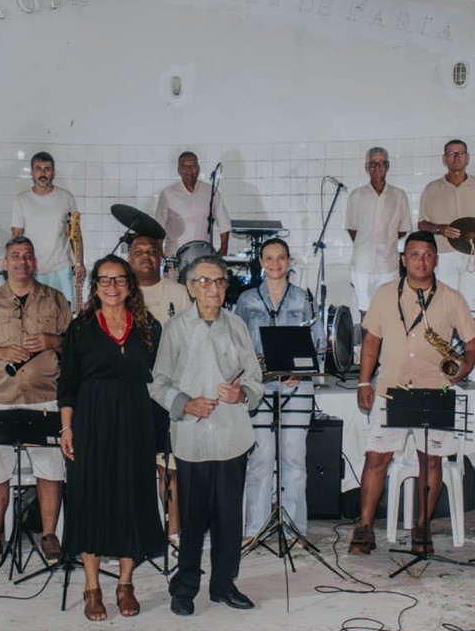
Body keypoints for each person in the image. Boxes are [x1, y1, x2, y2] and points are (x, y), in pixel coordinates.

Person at [351, 231, 475, 556]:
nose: (421, 261)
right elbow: (371, 342)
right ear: (403, 259)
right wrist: (364, 383)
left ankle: (423, 527)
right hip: (391, 390)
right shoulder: (384, 294)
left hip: (435, 390)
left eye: (427, 255)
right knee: (376, 458)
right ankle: (364, 527)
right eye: (414, 254)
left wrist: (464, 367)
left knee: (431, 461)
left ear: (436, 259)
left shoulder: (452, 298)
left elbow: (472, 340)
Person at [150, 255, 264, 616]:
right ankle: (185, 587)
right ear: (190, 287)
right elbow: (158, 384)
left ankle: (224, 584)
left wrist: (242, 394)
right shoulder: (176, 328)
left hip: (232, 435)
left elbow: (255, 379)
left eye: (219, 282)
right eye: (205, 281)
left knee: (229, 518)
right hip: (193, 438)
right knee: (193, 519)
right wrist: (185, 403)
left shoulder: (238, 325)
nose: (213, 289)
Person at [58, 255, 166, 621]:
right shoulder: (81, 327)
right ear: (95, 286)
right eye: (104, 280)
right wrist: (67, 428)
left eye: (119, 279)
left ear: (130, 285)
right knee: (90, 498)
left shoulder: (148, 326)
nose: (112, 286)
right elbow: (68, 383)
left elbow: (162, 376)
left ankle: (125, 583)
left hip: (136, 419)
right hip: (91, 418)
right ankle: (92, 587)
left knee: (132, 496)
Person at [0, 236, 71, 567]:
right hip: (1, 398)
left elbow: (74, 343)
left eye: (28, 256)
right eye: (15, 256)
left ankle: (49, 535)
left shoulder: (56, 299)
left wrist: (53, 340)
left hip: (45, 399)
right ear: (5, 262)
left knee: (50, 469)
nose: (22, 261)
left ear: (35, 262)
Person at [234, 237, 324, 545]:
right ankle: (254, 528)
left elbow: (318, 342)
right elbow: (238, 344)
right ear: (261, 262)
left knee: (294, 460)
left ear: (289, 261)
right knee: (260, 459)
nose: (275, 264)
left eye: (281, 257)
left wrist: (301, 371)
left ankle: (294, 528)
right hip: (259, 387)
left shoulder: (304, 298)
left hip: (297, 387)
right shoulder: (247, 299)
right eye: (269, 258)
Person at [126, 232, 190, 549]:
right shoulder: (120, 293)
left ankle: (174, 534)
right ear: (129, 258)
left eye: (152, 250)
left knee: (169, 468)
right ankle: (132, 535)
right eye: (139, 251)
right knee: (130, 469)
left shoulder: (178, 292)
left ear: (161, 256)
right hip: (130, 394)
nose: (146, 255)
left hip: (168, 393)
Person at [417, 139, 475, 297]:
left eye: (461, 153)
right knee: (445, 303)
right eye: (451, 153)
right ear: (444, 159)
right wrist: (439, 229)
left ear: (467, 157)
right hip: (444, 255)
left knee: (472, 305)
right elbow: (421, 224)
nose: (456, 157)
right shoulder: (432, 188)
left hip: (474, 255)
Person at [11, 151, 85, 310]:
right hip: (32, 270)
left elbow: (76, 236)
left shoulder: (66, 198)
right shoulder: (21, 200)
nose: (42, 173)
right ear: (32, 172)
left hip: (61, 268)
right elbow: (16, 238)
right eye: (38, 169)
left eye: (47, 169)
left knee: (65, 315)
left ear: (53, 172)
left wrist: (80, 263)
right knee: (33, 316)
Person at [345, 147, 411, 319]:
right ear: (366, 167)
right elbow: (352, 229)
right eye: (373, 163)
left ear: (387, 166)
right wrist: (368, 243)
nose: (377, 167)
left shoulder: (399, 195)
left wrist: (386, 241)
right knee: (365, 311)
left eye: (381, 163)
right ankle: (367, 338)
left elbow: (403, 229)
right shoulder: (356, 195)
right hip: (362, 264)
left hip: (388, 264)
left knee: (388, 311)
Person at [154, 151, 231, 258]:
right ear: (179, 169)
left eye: (193, 165)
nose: (189, 170)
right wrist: (159, 254)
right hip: (174, 256)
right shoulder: (168, 193)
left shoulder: (210, 191)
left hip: (202, 256)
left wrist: (223, 249)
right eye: (185, 166)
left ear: (198, 168)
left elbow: (224, 222)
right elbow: (159, 226)